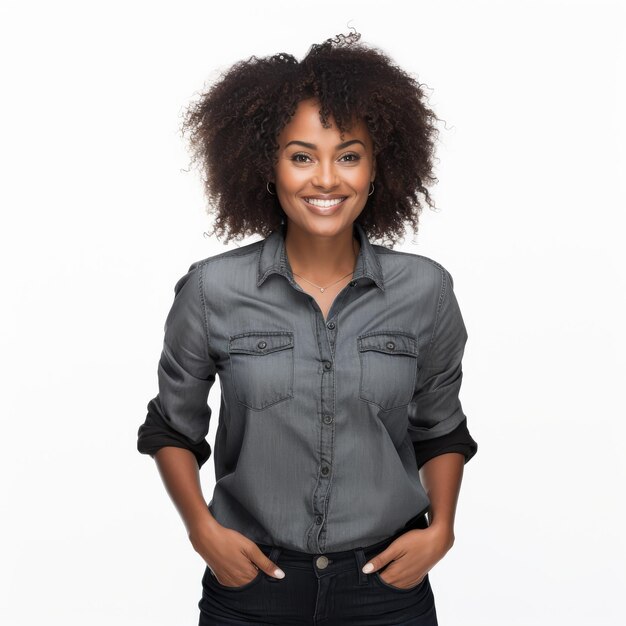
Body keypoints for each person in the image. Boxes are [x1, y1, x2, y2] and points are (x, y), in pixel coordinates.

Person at [137, 30, 478, 626]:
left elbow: (440, 426)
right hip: (251, 588)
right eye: (301, 156)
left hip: (386, 589)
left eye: (348, 155)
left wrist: (441, 531)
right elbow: (171, 426)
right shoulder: (212, 290)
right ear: (268, 168)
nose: (326, 179)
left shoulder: (426, 291)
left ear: (377, 169)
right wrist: (202, 531)